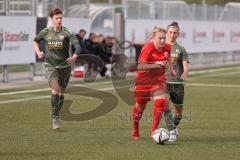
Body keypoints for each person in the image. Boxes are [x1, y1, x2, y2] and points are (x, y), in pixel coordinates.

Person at [33, 8, 81, 130]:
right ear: (52, 19)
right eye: (57, 18)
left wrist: (74, 57)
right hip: (51, 66)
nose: (59, 20)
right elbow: (35, 41)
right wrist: (38, 52)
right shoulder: (45, 32)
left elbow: (78, 46)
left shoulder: (67, 32)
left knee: (61, 94)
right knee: (55, 90)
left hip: (64, 67)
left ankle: (56, 113)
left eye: (60, 18)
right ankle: (55, 117)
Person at [132, 26, 176, 140]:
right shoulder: (147, 48)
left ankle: (154, 130)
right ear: (153, 38)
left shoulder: (167, 47)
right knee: (140, 107)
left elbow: (168, 58)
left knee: (161, 101)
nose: (162, 41)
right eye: (159, 38)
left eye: (163, 38)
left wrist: (171, 69)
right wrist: (156, 65)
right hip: (144, 80)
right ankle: (135, 128)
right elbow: (140, 66)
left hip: (159, 79)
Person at [164, 21, 189, 142]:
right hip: (164, 82)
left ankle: (174, 125)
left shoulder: (181, 49)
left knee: (178, 113)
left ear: (178, 34)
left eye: (175, 33)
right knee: (164, 104)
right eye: (170, 32)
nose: (172, 34)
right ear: (166, 33)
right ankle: (171, 130)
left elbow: (185, 63)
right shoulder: (160, 47)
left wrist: (185, 72)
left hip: (178, 84)